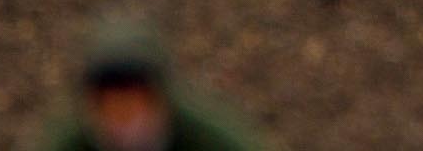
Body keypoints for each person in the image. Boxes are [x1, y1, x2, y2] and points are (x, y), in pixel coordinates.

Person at [29, 13, 262, 151]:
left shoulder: (208, 140)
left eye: (132, 106)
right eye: (111, 107)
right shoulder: (67, 144)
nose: (123, 123)